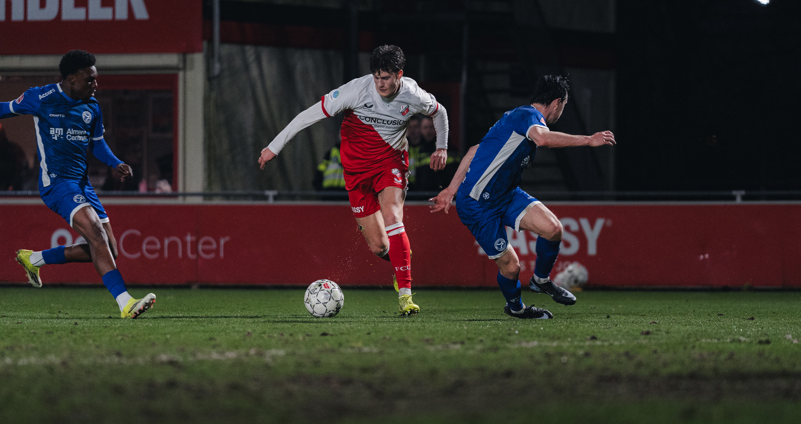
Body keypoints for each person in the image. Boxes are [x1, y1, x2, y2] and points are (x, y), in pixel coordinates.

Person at [0, 50, 156, 319]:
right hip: (57, 184)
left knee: (110, 249)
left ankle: (34, 259)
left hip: (83, 186)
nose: (96, 85)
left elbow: (98, 145)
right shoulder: (41, 97)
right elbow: (5, 108)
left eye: (96, 79)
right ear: (71, 79)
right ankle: (126, 303)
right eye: (90, 80)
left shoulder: (92, 107)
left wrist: (116, 163)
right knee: (96, 234)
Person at [258, 45, 449, 315]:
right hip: (356, 172)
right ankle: (397, 265)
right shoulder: (355, 90)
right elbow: (306, 116)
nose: (380, 83)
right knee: (379, 245)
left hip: (390, 163)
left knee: (394, 217)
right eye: (376, 77)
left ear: (399, 75)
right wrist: (274, 147)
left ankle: (406, 296)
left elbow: (439, 112)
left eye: (386, 77)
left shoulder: (413, 94)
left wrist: (441, 147)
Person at [430, 75, 615, 319]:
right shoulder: (528, 117)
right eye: (564, 107)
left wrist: (450, 189)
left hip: (506, 195)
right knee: (512, 267)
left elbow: (476, 150)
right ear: (557, 103)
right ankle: (516, 308)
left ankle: (540, 280)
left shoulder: (514, 118)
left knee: (553, 229)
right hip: (477, 205)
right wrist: (588, 140)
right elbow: (542, 138)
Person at [0, 122, 29, 191]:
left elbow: (23, 170)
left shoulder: (15, 151)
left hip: (15, 194)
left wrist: (14, 185)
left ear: (3, 134)